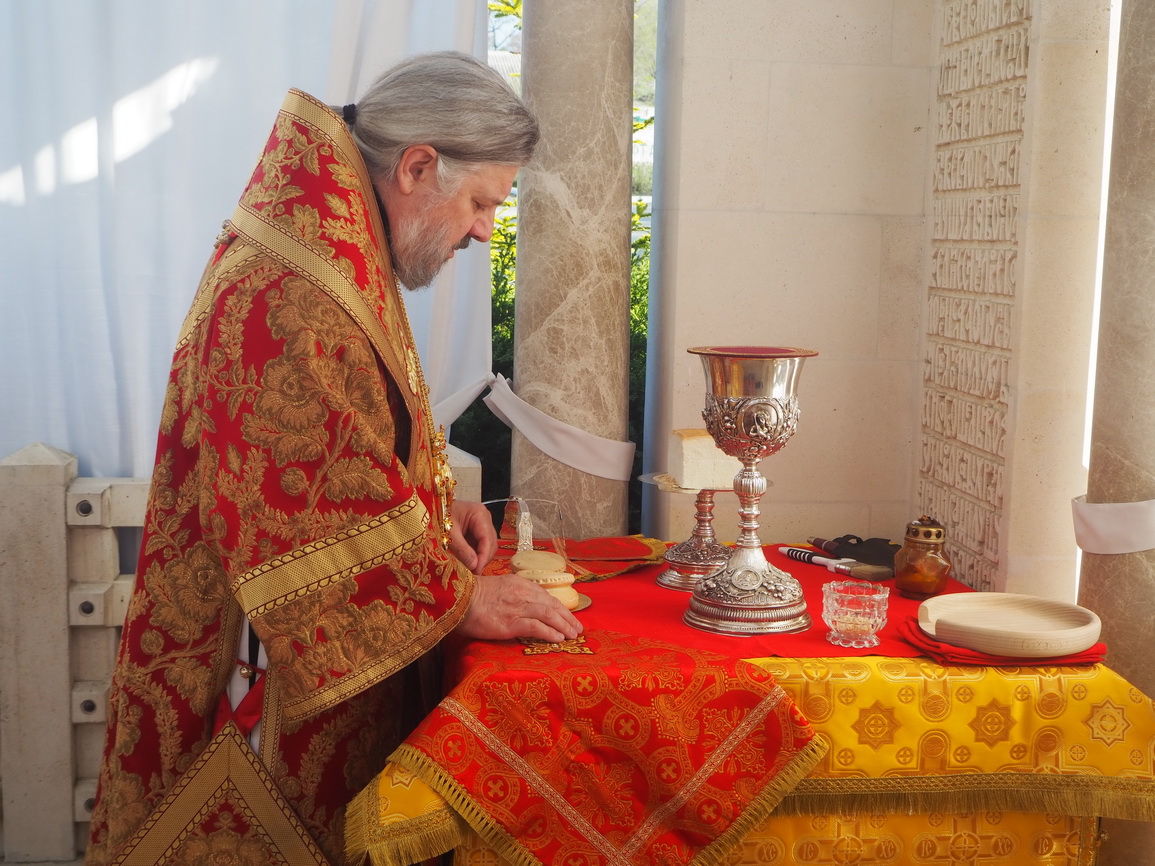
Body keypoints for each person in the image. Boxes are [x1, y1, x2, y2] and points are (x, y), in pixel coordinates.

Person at [85, 51, 582, 866]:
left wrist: (425, 490)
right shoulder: (290, 284)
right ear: (418, 166)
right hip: (263, 687)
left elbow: (340, 430)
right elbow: (297, 505)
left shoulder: (330, 240)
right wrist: (453, 601)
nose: (485, 229)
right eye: (482, 202)